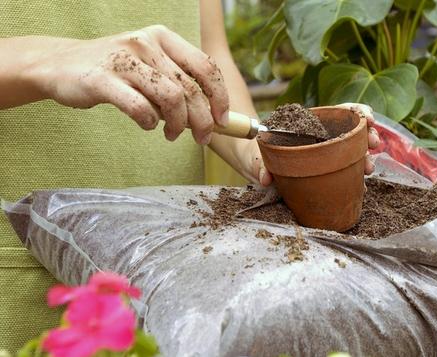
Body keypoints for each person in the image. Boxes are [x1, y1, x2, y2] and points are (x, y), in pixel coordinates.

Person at [0, 0, 380, 352]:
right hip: (22, 284)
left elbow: (209, 64)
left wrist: (262, 153)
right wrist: (46, 60)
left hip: (175, 280)